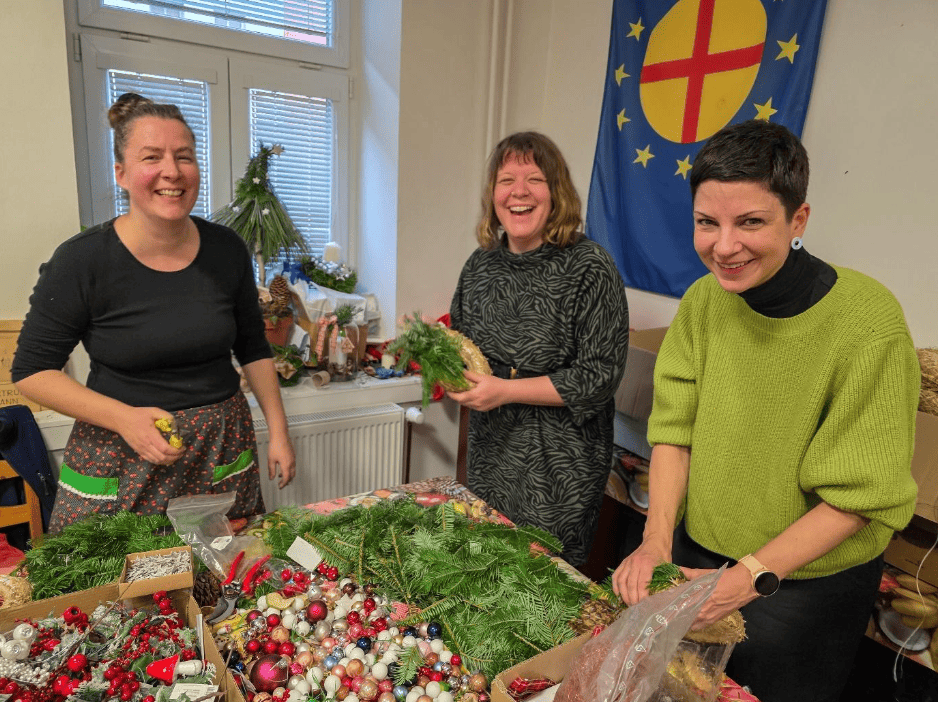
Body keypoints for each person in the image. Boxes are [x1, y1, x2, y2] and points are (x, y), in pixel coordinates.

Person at [612, 120, 920, 702]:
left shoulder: (868, 322)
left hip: (803, 587)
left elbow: (860, 498)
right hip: (698, 554)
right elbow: (674, 433)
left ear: (798, 220)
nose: (724, 246)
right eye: (707, 222)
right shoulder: (703, 302)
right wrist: (655, 541)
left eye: (750, 222)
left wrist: (747, 579)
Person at [11, 93, 295, 532]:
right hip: (120, 449)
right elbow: (32, 372)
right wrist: (125, 419)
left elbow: (253, 347)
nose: (172, 171)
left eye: (184, 156)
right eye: (152, 157)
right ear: (121, 173)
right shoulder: (81, 261)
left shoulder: (227, 250)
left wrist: (278, 431)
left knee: (221, 565)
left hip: (220, 445)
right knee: (110, 571)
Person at [448, 131, 630, 567]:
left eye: (534, 179)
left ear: (557, 192)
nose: (519, 192)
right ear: (493, 194)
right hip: (491, 453)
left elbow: (598, 377)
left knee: (544, 579)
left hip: (559, 466)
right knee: (484, 566)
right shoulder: (479, 265)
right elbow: (459, 342)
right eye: (506, 180)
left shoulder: (590, 266)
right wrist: (445, 368)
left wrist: (505, 391)